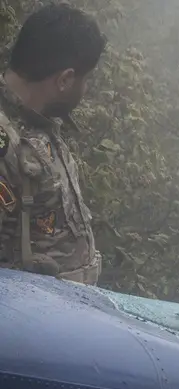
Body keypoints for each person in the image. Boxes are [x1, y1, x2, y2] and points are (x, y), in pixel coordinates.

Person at [0, 4, 105, 284]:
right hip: (26, 320)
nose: (86, 89)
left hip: (63, 314)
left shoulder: (40, 121)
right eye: (86, 79)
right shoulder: (5, 143)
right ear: (65, 79)